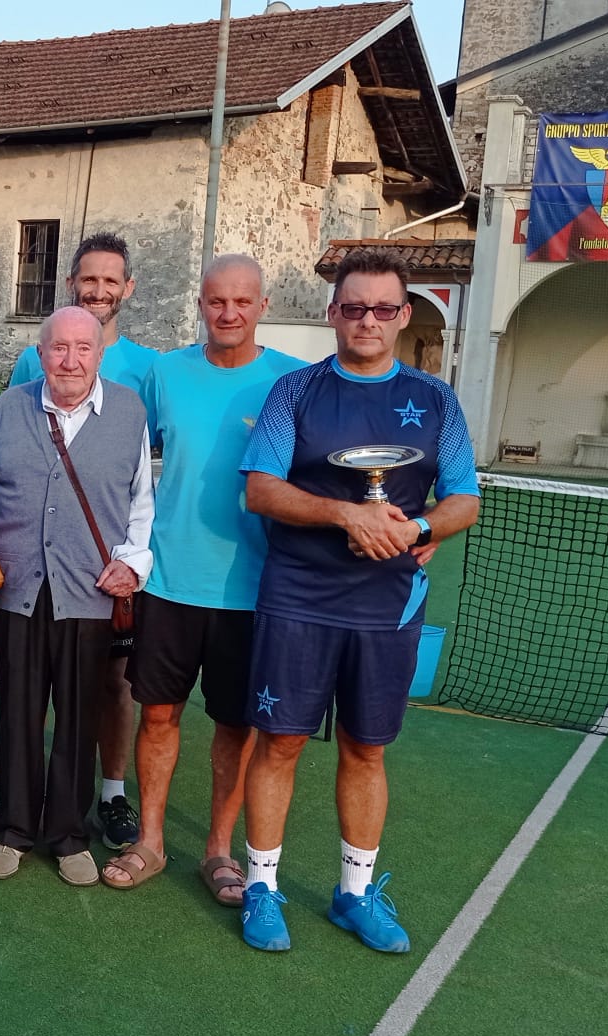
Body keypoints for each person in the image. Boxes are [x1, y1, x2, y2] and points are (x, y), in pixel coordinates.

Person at [235, 246, 480, 953]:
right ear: (332, 313)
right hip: (299, 596)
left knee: (366, 748)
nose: (366, 319)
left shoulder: (437, 401)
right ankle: (262, 887)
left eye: (381, 308)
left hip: (388, 605)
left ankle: (353, 892)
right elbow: (261, 490)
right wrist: (349, 517)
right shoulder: (296, 392)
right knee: (280, 742)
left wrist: (418, 529)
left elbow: (465, 498)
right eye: (353, 307)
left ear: (404, 315)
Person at [100, 253, 306, 902]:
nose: (229, 313)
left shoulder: (291, 382)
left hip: (252, 590)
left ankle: (218, 850)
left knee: (234, 725)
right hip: (168, 583)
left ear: (262, 306)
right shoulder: (166, 373)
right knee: (157, 714)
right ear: (201, 304)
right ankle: (151, 840)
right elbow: (134, 464)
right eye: (217, 301)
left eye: (242, 302)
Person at [0, 307, 154, 885]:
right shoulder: (11, 406)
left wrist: (133, 564)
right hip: (18, 587)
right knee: (19, 711)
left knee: (79, 715)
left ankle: (69, 834)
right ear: (41, 352)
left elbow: (141, 502)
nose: (70, 360)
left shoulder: (129, 410)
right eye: (58, 349)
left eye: (83, 348)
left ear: (100, 354)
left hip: (90, 589)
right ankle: (15, 828)